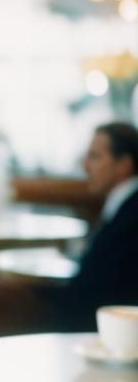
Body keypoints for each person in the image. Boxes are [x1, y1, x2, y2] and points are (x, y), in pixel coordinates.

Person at [59, 121, 138, 330]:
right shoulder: (123, 206)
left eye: (95, 157)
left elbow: (99, 289)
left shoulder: (132, 217)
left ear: (124, 164)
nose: (86, 166)